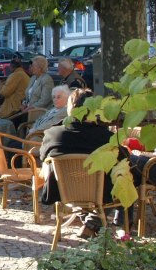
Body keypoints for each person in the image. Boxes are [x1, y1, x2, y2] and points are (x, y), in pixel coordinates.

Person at [39, 88, 128, 238]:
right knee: (126, 175)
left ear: (70, 108)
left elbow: (43, 157)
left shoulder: (53, 134)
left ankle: (92, 222)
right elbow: (124, 158)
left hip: (63, 190)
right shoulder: (106, 137)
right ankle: (114, 225)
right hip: (100, 192)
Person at [10, 55, 54, 125]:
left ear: (40, 68)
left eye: (33, 66)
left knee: (15, 122)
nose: (31, 68)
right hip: (28, 109)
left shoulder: (47, 79)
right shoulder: (33, 78)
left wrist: (30, 108)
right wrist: (24, 104)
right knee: (11, 118)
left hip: (38, 111)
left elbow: (44, 101)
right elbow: (27, 95)